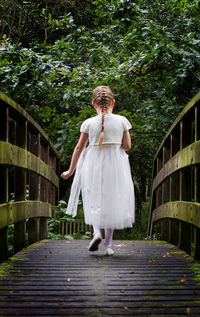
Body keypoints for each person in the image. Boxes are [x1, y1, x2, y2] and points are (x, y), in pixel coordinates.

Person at [61, 86, 135, 255]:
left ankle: (96, 233)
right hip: (116, 166)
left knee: (94, 198)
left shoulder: (88, 123)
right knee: (112, 201)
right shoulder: (122, 120)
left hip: (92, 164)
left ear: (93, 103)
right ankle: (108, 246)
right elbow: (127, 146)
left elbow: (79, 147)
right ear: (113, 102)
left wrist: (71, 170)